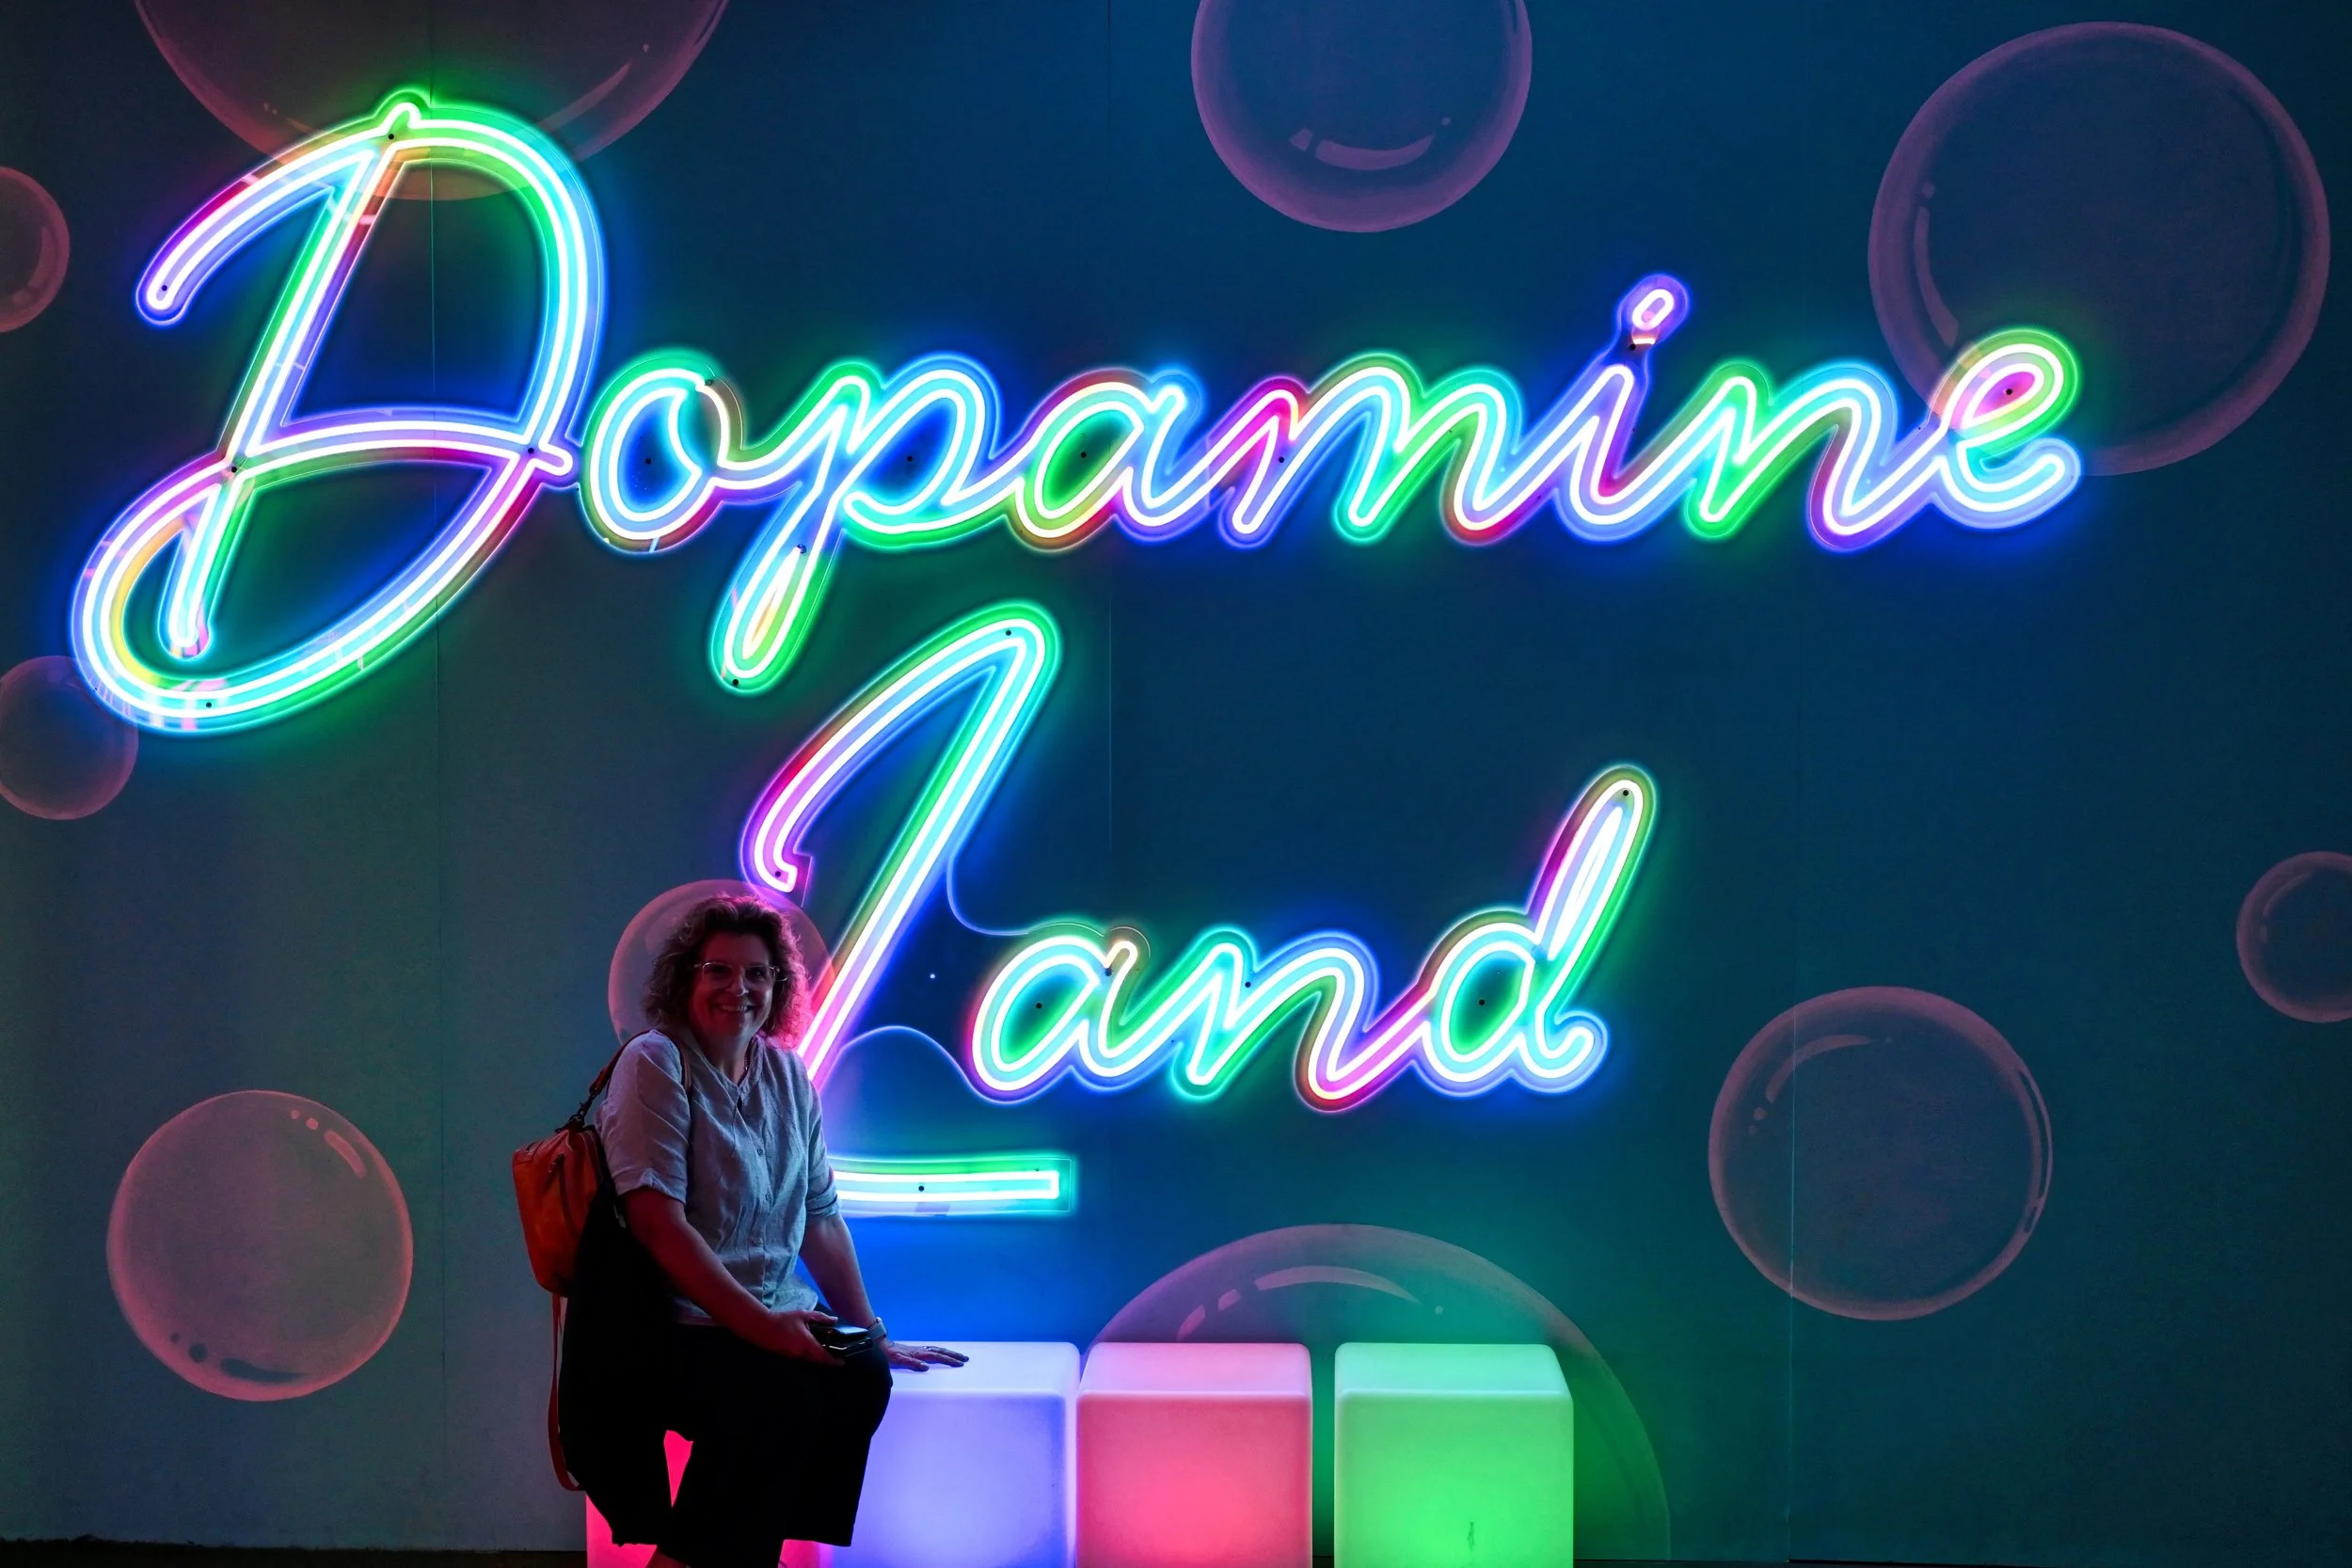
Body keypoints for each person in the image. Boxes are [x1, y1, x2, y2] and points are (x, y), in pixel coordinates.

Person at [577, 894, 965, 1568]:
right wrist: (764, 1328)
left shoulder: (787, 1073)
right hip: (673, 1325)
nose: (740, 988)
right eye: (718, 970)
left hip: (767, 1315)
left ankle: (745, 1549)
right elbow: (658, 1226)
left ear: (778, 986)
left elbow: (821, 1218)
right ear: (686, 977)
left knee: (862, 1377)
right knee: (776, 1405)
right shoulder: (655, 1062)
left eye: (757, 973)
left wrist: (871, 1332)